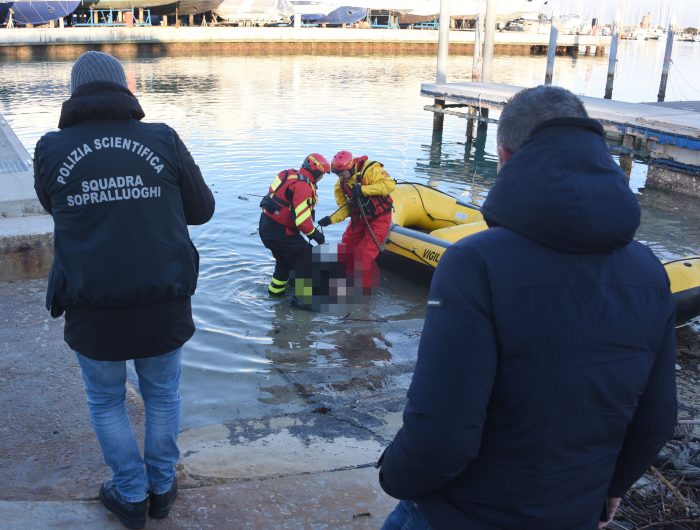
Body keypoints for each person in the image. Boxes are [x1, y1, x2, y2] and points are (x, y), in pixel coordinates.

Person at [378, 85, 677, 530]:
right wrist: (613, 489)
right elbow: (656, 419)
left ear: (502, 156)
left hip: (465, 513)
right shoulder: (651, 272)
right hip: (573, 513)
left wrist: (393, 474)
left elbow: (443, 435)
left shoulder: (474, 265)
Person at [33, 51, 215, 529]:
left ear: (74, 93)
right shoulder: (162, 139)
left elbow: (59, 208)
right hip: (162, 298)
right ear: (124, 89)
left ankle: (131, 495)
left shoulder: (51, 147)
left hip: (93, 303)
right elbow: (202, 210)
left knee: (106, 399)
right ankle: (161, 488)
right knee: (162, 395)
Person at [317, 150, 395, 292]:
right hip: (359, 217)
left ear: (351, 167)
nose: (341, 177)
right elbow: (346, 208)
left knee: (366, 252)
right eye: (337, 174)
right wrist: (330, 220)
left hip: (379, 218)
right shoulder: (340, 185)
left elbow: (389, 185)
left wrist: (363, 190)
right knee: (346, 243)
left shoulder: (370, 170)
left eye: (342, 173)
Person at [258, 153, 330, 307]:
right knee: (307, 255)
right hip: (280, 232)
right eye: (322, 175)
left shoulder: (288, 175)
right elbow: (302, 221)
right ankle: (303, 300)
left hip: (266, 226)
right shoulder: (303, 186)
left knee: (284, 260)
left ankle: (275, 293)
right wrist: (317, 236)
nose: (321, 178)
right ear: (316, 172)